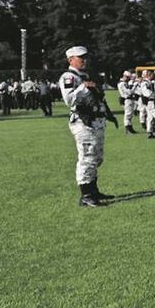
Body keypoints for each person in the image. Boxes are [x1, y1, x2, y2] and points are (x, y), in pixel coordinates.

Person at [59, 46, 112, 207]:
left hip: (96, 121)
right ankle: (86, 195)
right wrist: (84, 88)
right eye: (81, 57)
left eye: (86, 57)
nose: (85, 60)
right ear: (71, 60)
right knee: (87, 157)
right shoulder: (69, 77)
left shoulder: (86, 75)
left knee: (97, 157)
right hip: (83, 122)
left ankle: (93, 190)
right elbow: (69, 100)